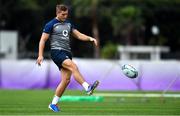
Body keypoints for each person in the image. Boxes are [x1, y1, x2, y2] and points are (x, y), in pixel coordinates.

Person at [36, 4, 99, 112]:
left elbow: (78, 35)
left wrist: (90, 38)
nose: (65, 16)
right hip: (57, 52)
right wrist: (40, 55)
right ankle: (87, 88)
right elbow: (42, 40)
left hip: (67, 52)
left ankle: (53, 104)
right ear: (57, 13)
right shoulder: (51, 24)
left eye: (66, 14)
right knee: (73, 66)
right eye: (63, 14)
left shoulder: (69, 23)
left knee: (66, 80)